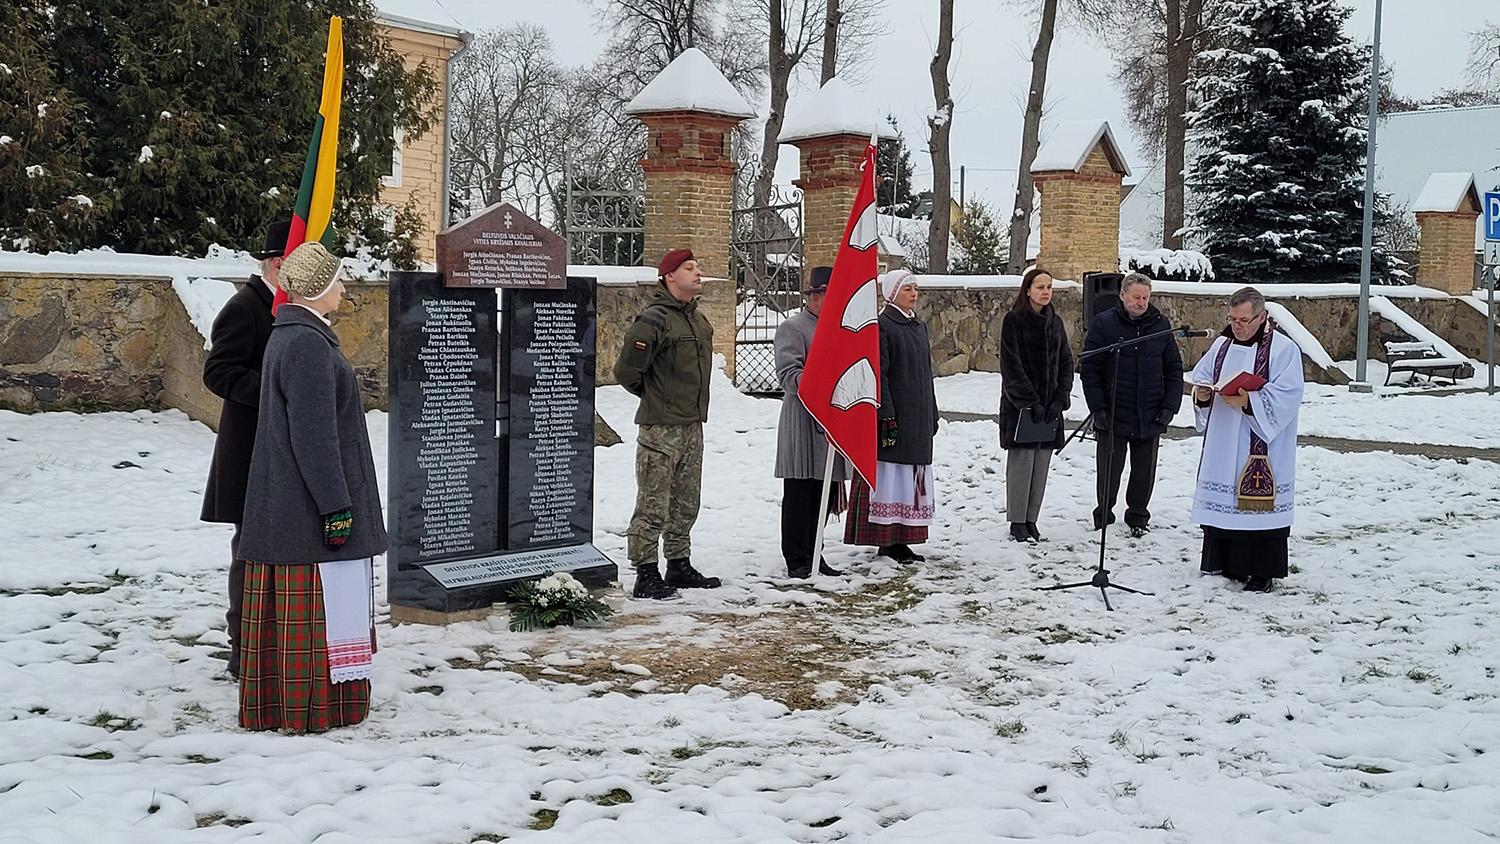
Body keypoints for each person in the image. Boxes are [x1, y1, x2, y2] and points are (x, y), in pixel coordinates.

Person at [236, 241, 387, 732]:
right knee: (319, 614)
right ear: (318, 288)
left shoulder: (296, 335)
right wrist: (336, 506)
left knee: (313, 619)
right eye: (338, 280)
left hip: (292, 503)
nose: (344, 289)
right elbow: (314, 434)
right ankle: (312, 707)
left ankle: (299, 704)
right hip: (304, 511)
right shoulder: (304, 343)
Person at [200, 219, 290, 680]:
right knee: (249, 548)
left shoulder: (289, 308)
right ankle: (243, 647)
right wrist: (275, 390)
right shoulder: (245, 306)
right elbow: (218, 372)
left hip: (283, 450)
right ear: (276, 263)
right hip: (250, 447)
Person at [614, 248, 722, 599]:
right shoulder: (654, 319)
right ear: (669, 276)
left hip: (691, 425)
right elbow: (627, 371)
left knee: (686, 500)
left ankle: (678, 563)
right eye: (689, 268)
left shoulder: (697, 319)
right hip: (661, 427)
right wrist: (656, 397)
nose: (698, 273)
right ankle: (646, 571)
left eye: (697, 266)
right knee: (653, 501)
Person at [1189, 286, 1304, 592]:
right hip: (1223, 440)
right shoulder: (1222, 345)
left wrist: (1250, 402)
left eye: (1244, 320)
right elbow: (1203, 378)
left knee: (1257, 508)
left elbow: (1289, 394)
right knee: (1225, 502)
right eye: (1232, 318)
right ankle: (1227, 564)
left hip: (1261, 444)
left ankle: (1262, 572)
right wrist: (1201, 394)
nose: (1237, 325)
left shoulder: (1283, 349)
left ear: (1262, 316)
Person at [844, 269, 939, 564]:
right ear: (892, 292)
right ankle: (887, 540)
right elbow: (879, 373)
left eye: (915, 288)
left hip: (918, 414)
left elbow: (926, 374)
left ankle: (905, 538)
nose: (914, 293)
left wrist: (932, 411)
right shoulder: (883, 325)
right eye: (907, 288)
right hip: (896, 415)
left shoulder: (918, 326)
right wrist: (886, 414)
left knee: (912, 479)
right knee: (892, 477)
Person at [1080, 272, 1184, 537]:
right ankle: (1104, 512)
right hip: (1114, 410)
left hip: (1150, 411)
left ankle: (1138, 516)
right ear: (1123, 296)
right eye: (1136, 297)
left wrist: (1169, 407)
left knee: (1144, 471)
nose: (1141, 302)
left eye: (1145, 297)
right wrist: (1098, 408)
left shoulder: (1161, 324)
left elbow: (1173, 368)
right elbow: (1090, 369)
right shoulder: (1104, 324)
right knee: (1109, 468)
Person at [774, 265, 848, 579]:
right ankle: (797, 558)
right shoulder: (793, 327)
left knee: (823, 492)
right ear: (814, 297)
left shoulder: (841, 329)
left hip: (831, 421)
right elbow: (789, 374)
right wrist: (824, 382)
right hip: (803, 421)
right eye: (826, 295)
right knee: (800, 492)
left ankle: (815, 551)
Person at [999, 266, 1074, 544]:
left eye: (1049, 287)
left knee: (1041, 463)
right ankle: (1017, 520)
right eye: (1040, 287)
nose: (1046, 292)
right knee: (1022, 463)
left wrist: (1059, 397)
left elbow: (1066, 361)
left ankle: (1032, 518)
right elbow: (1011, 365)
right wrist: (1029, 401)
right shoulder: (1014, 321)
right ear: (1028, 289)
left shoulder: (1055, 321)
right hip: (1021, 407)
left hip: (1050, 407)